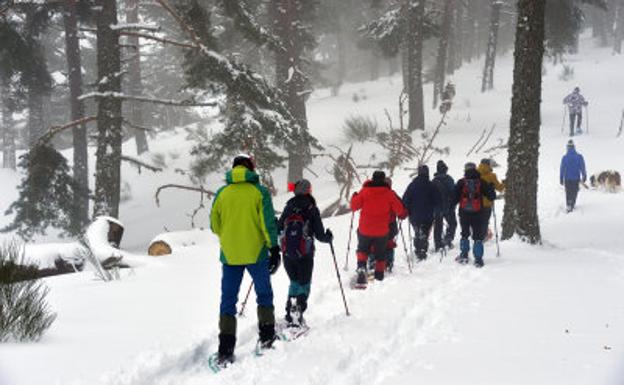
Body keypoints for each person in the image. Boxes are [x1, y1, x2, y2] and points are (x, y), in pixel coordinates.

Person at [210, 154, 281, 365]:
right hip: (256, 253)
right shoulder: (259, 192)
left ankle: (225, 349)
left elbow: (214, 225)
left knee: (228, 300)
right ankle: (267, 336)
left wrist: (230, 236)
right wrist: (274, 248)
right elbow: (267, 223)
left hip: (230, 255)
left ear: (233, 169)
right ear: (250, 169)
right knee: (264, 293)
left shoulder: (222, 193)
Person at [278, 179, 333, 327]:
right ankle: (298, 310)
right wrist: (329, 237)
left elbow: (278, 228)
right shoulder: (311, 208)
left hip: (288, 254)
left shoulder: (288, 206)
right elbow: (320, 235)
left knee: (294, 282)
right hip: (305, 254)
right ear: (308, 190)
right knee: (304, 283)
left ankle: (290, 312)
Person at [351, 171, 407, 286]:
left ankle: (362, 267)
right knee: (381, 253)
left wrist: (354, 197)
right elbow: (400, 210)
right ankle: (379, 275)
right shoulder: (389, 193)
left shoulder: (365, 191)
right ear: (383, 180)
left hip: (365, 229)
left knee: (362, 249)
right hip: (382, 230)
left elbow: (354, 206)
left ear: (372, 178)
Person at [454, 162, 496, 268]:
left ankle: (464, 255)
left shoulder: (461, 182)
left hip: (464, 213)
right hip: (478, 213)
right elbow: (492, 196)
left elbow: (453, 198)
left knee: (464, 234)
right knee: (477, 236)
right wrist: (491, 187)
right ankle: (478, 259)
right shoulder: (481, 182)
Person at [402, 165, 441, 261]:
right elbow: (438, 200)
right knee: (425, 231)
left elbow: (405, 199)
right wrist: (438, 210)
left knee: (417, 231)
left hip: (414, 215)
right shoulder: (432, 185)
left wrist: (406, 210)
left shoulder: (412, 185)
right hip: (428, 214)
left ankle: (418, 248)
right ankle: (422, 249)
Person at [367, 177, 400, 273]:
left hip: (374, 226)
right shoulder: (392, 194)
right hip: (390, 225)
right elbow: (400, 207)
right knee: (389, 244)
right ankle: (388, 264)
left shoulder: (373, 194)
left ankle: (373, 263)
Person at [477, 158, 505, 240]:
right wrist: (504, 183)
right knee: (485, 220)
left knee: (478, 220)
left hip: (475, 202)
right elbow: (500, 188)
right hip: (487, 203)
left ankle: (477, 234)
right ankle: (483, 237)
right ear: (489, 165)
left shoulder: (474, 173)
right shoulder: (491, 176)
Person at [432, 160, 457, 251]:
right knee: (452, 223)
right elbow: (454, 193)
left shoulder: (434, 181)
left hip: (437, 208)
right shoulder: (449, 179)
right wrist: (453, 204)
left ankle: (438, 244)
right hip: (448, 207)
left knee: (438, 226)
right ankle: (448, 240)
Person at [560, 140, 587, 213]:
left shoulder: (564, 157)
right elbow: (582, 167)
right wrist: (584, 175)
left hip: (567, 178)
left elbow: (562, 168)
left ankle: (569, 204)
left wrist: (561, 178)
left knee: (568, 191)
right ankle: (573, 203)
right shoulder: (579, 157)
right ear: (574, 147)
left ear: (567, 148)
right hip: (576, 178)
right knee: (574, 191)